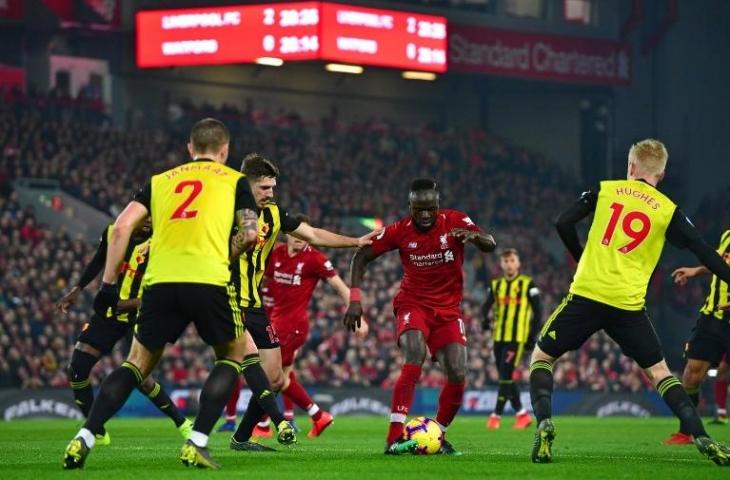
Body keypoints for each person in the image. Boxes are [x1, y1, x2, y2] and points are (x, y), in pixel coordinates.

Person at [62, 117, 265, 470]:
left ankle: (85, 437)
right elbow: (250, 234)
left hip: (160, 283)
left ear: (190, 149)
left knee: (136, 364)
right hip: (209, 279)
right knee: (232, 355)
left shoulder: (159, 181)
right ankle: (197, 442)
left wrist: (108, 287)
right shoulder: (235, 181)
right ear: (225, 150)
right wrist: (223, 254)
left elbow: (121, 227)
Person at [528, 138, 730, 466]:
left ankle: (545, 423)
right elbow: (704, 251)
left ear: (631, 167)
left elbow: (563, 222)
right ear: (661, 175)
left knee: (542, 357)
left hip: (587, 294)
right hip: (628, 305)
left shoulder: (606, 190)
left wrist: (580, 256)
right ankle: (702, 436)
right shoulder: (667, 210)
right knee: (661, 373)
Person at [229, 154, 377, 452]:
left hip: (256, 304)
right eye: (264, 188)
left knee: (273, 377)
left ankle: (242, 437)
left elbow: (314, 233)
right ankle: (201, 435)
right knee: (233, 365)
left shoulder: (274, 215)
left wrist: (355, 241)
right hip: (226, 299)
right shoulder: (224, 210)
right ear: (247, 185)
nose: (271, 194)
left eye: (273, 188)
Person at [343, 177, 497, 455]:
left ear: (438, 205)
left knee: (458, 372)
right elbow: (361, 257)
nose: (425, 215)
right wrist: (355, 300)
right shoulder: (399, 231)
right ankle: (393, 439)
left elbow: (491, 243)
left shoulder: (456, 221)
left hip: (448, 311)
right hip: (413, 305)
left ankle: (439, 434)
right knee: (415, 354)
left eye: (430, 208)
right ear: (410, 206)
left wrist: (474, 237)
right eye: (419, 209)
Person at [220, 213, 363, 439]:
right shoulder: (275, 254)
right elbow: (259, 277)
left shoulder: (314, 259)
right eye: (296, 234)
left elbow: (338, 285)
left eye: (303, 235)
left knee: (270, 375)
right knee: (282, 375)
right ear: (287, 235)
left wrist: (356, 309)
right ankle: (315, 416)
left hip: (293, 325)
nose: (299, 239)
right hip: (274, 319)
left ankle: (267, 424)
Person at [57, 220, 192, 445]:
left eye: (153, 215)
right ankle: (95, 429)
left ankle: (182, 423)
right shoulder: (114, 232)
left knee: (140, 377)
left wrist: (138, 303)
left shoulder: (162, 241)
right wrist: (77, 288)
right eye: (145, 216)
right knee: (77, 368)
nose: (150, 221)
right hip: (110, 311)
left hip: (142, 314)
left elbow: (171, 281)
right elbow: (100, 258)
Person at [663, 229, 730, 444]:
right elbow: (719, 264)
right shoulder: (727, 235)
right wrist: (696, 271)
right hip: (713, 317)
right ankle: (687, 432)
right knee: (691, 374)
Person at [482, 248, 541, 430]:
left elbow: (538, 313)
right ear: (501, 264)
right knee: (504, 376)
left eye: (512, 260)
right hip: (498, 337)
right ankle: (522, 414)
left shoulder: (528, 284)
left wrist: (532, 336)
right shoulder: (496, 285)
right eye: (506, 261)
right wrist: (485, 320)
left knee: (506, 374)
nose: (509, 264)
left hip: (517, 338)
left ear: (518, 263)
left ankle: (495, 416)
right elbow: (485, 306)